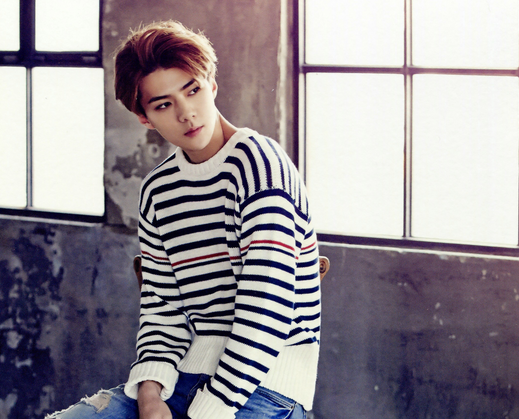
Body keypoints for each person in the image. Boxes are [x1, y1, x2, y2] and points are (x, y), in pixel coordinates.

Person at [46, 20, 321, 419]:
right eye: (163, 105)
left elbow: (267, 307)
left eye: (192, 90)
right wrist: (150, 395)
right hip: (182, 380)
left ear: (212, 84)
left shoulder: (260, 166)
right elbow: (162, 308)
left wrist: (209, 410)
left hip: (265, 387)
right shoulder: (158, 191)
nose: (187, 113)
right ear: (145, 118)